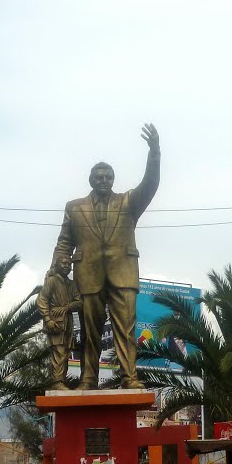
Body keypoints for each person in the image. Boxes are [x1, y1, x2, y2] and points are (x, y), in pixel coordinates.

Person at [52, 124, 161, 389]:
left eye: (108, 177)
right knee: (91, 331)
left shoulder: (129, 202)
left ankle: (129, 377)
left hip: (123, 273)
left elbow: (150, 184)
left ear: (113, 179)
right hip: (88, 275)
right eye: (99, 177)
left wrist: (154, 151)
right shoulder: (74, 208)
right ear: (91, 180)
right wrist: (58, 264)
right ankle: (88, 378)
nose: (104, 181)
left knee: (126, 329)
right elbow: (64, 242)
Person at [37, 255, 82, 390]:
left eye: (69, 264)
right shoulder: (51, 281)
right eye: (63, 263)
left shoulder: (71, 284)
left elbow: (80, 302)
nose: (66, 266)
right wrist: (48, 319)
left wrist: (67, 307)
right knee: (59, 351)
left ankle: (61, 380)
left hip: (68, 321)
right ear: (56, 265)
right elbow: (41, 300)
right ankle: (57, 382)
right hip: (55, 321)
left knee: (66, 352)